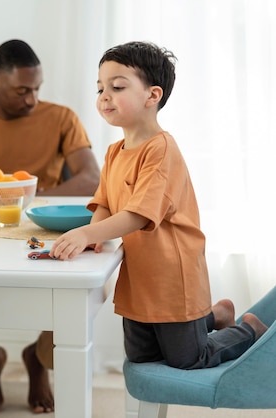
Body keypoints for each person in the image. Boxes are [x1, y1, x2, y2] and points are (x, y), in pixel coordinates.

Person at [50, 41, 268, 371]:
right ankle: (215, 314)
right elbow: (106, 203)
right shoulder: (114, 152)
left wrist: (84, 233)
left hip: (172, 275)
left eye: (117, 86)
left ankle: (246, 327)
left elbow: (138, 214)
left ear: (152, 96)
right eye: (99, 88)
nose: (104, 96)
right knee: (141, 356)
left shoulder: (161, 150)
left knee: (189, 357)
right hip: (139, 275)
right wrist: (95, 236)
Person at [0, 39, 100, 414]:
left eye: (37, 89)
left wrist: (24, 198)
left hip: (45, 229)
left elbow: (92, 179)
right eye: (22, 90)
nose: (32, 99)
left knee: (95, 280)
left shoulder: (61, 117)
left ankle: (40, 358)